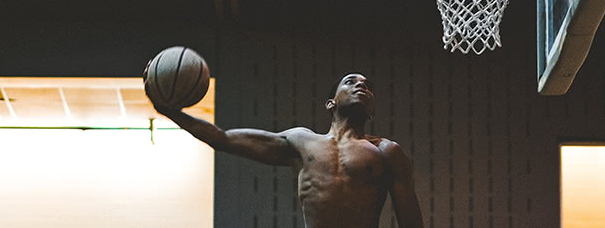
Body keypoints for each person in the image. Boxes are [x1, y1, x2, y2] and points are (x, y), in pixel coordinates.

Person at [148, 71, 425, 228]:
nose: (361, 86)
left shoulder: (387, 152)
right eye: (351, 82)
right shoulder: (301, 142)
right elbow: (223, 139)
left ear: (371, 111)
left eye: (368, 86)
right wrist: (169, 111)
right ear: (331, 103)